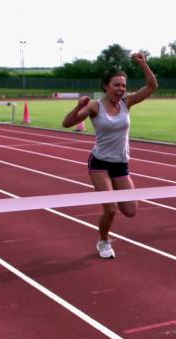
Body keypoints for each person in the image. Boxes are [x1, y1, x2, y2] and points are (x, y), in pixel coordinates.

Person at [62, 53, 158, 259]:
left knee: (130, 210)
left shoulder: (126, 103)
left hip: (121, 164)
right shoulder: (95, 106)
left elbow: (151, 86)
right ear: (105, 86)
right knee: (111, 209)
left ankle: (112, 195)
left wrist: (143, 64)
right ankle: (103, 241)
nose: (121, 89)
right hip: (100, 164)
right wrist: (79, 106)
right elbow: (67, 123)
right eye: (116, 85)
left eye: (123, 85)